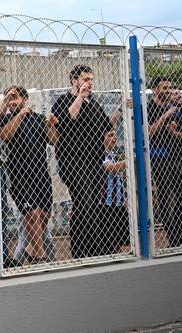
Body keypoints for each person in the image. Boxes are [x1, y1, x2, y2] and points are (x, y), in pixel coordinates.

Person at [51, 64, 112, 259]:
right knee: (84, 202)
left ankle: (83, 249)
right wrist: (80, 97)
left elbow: (107, 125)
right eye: (85, 79)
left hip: (94, 161)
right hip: (73, 161)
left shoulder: (94, 104)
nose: (89, 83)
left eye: (91, 79)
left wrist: (122, 110)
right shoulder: (63, 101)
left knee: (90, 205)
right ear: (73, 81)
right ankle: (89, 250)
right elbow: (66, 121)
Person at [0, 86, 57, 265]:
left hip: (41, 174)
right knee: (31, 215)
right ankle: (40, 256)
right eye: (9, 99)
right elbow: (5, 135)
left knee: (44, 215)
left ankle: (31, 251)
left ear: (25, 99)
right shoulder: (6, 119)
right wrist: (20, 115)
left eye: (15, 97)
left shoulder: (38, 119)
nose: (12, 101)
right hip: (20, 176)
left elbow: (53, 140)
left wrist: (52, 125)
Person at [145, 77, 182, 248]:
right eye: (164, 88)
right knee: (164, 197)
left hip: (177, 156)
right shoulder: (149, 107)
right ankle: (173, 237)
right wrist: (165, 116)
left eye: (169, 87)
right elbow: (149, 132)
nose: (167, 90)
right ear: (155, 90)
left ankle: (177, 234)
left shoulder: (173, 108)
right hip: (159, 157)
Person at [100, 131, 129, 254]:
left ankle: (117, 255)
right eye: (110, 135)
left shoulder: (113, 154)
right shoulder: (100, 154)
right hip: (106, 203)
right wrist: (129, 160)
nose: (115, 137)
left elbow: (119, 179)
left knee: (119, 239)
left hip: (117, 202)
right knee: (108, 240)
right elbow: (111, 168)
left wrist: (124, 198)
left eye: (115, 135)